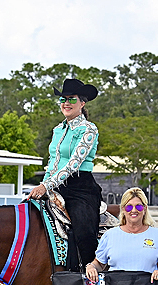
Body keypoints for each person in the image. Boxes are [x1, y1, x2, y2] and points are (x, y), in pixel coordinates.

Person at [27, 78, 102, 272]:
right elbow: (52, 162)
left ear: (82, 103)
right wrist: (43, 185)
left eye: (72, 99)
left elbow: (73, 164)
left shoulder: (89, 129)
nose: (66, 103)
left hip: (80, 187)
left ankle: (89, 272)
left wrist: (46, 186)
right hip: (53, 185)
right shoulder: (58, 130)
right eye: (63, 99)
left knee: (84, 232)